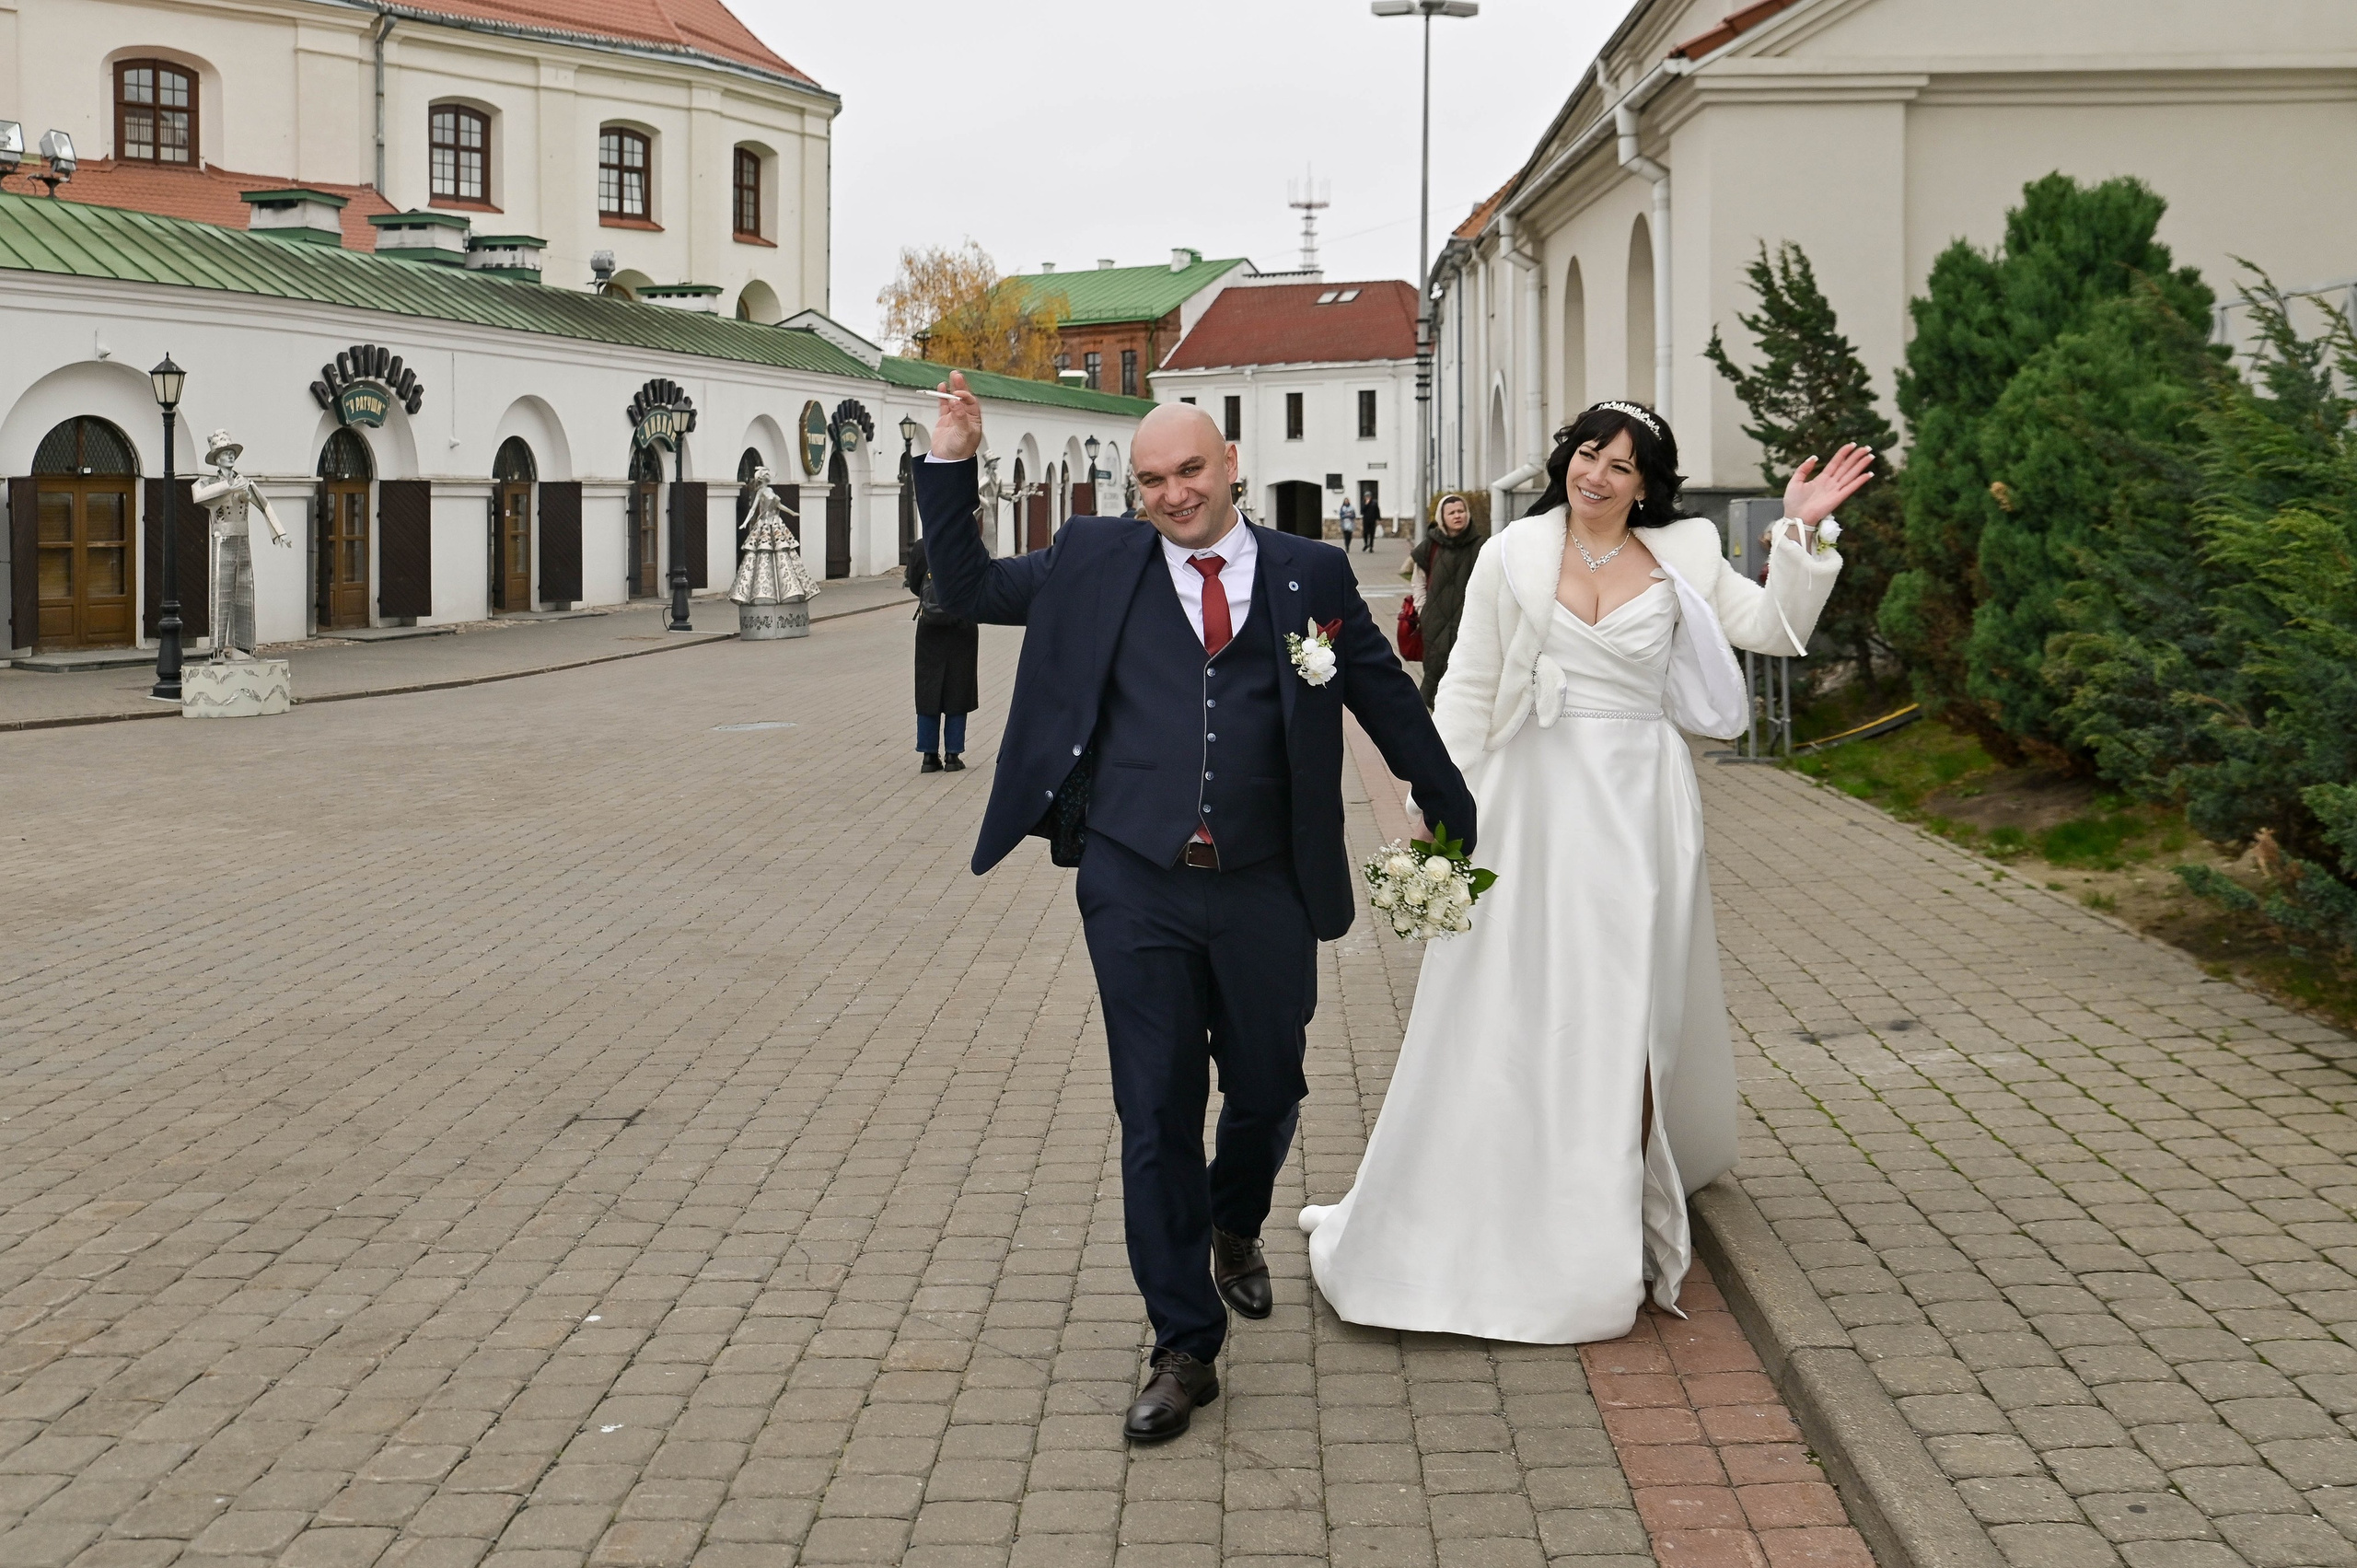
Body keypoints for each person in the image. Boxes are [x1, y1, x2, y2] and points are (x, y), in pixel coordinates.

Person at [914, 374, 1476, 1441]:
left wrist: (1446, 808)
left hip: (1267, 878)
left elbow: (1381, 692)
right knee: (1155, 1107)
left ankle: (1234, 1220)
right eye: (1152, 480)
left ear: (1230, 469)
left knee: (1267, 1085)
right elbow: (968, 584)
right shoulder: (1094, 560)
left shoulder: (1310, 573)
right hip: (1135, 880)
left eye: (1189, 471)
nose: (1173, 495)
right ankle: (1183, 1341)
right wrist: (951, 459)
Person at [1301, 401, 1873, 1343]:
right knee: (1509, 997)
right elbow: (1471, 686)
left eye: (1620, 463)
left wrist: (1800, 528)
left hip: (1637, 811)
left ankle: (1608, 1203)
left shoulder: (1685, 551)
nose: (1596, 474)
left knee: (1623, 1004)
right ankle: (1496, 1191)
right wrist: (1434, 806)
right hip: (1527, 803)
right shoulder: (1513, 554)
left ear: (1647, 482)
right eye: (1586, 454)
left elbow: (1773, 626)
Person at [904, 532, 979, 773]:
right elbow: (980, 579)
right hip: (962, 624)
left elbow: (915, 584)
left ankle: (928, 756)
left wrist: (933, 604)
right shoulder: (967, 542)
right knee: (959, 686)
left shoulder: (921, 547)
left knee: (928, 687)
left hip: (929, 627)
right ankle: (953, 756)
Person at [1409, 493, 1485, 707]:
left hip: (1468, 623)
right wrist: (1423, 611)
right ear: (1442, 517)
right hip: (1435, 623)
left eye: (1461, 511)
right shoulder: (1430, 546)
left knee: (1464, 675)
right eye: (1452, 512)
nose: (1457, 516)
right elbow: (1418, 582)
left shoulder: (1481, 546)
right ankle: (1434, 721)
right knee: (1434, 671)